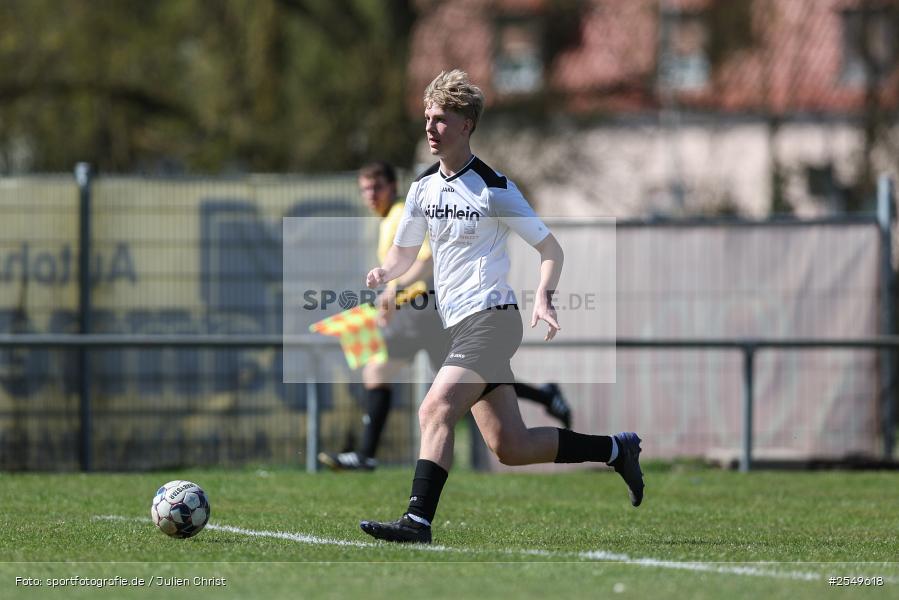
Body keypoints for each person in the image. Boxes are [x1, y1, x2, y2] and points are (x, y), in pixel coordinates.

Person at [359, 70, 644, 544]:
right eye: (427, 119)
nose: (430, 129)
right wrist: (387, 273)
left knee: (434, 409)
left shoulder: (494, 187)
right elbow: (404, 252)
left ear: (467, 123)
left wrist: (546, 297)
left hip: (492, 320)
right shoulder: (423, 188)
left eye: (442, 120)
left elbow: (551, 249)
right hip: (459, 326)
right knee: (511, 446)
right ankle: (617, 450)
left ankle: (418, 522)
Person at [318, 161, 573, 472]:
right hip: (431, 312)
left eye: (377, 187)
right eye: (365, 190)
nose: (371, 195)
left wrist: (395, 293)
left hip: (425, 310)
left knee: (385, 373)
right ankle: (548, 397)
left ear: (392, 187)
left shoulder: (402, 212)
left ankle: (369, 458)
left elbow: (426, 261)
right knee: (472, 386)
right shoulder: (393, 216)